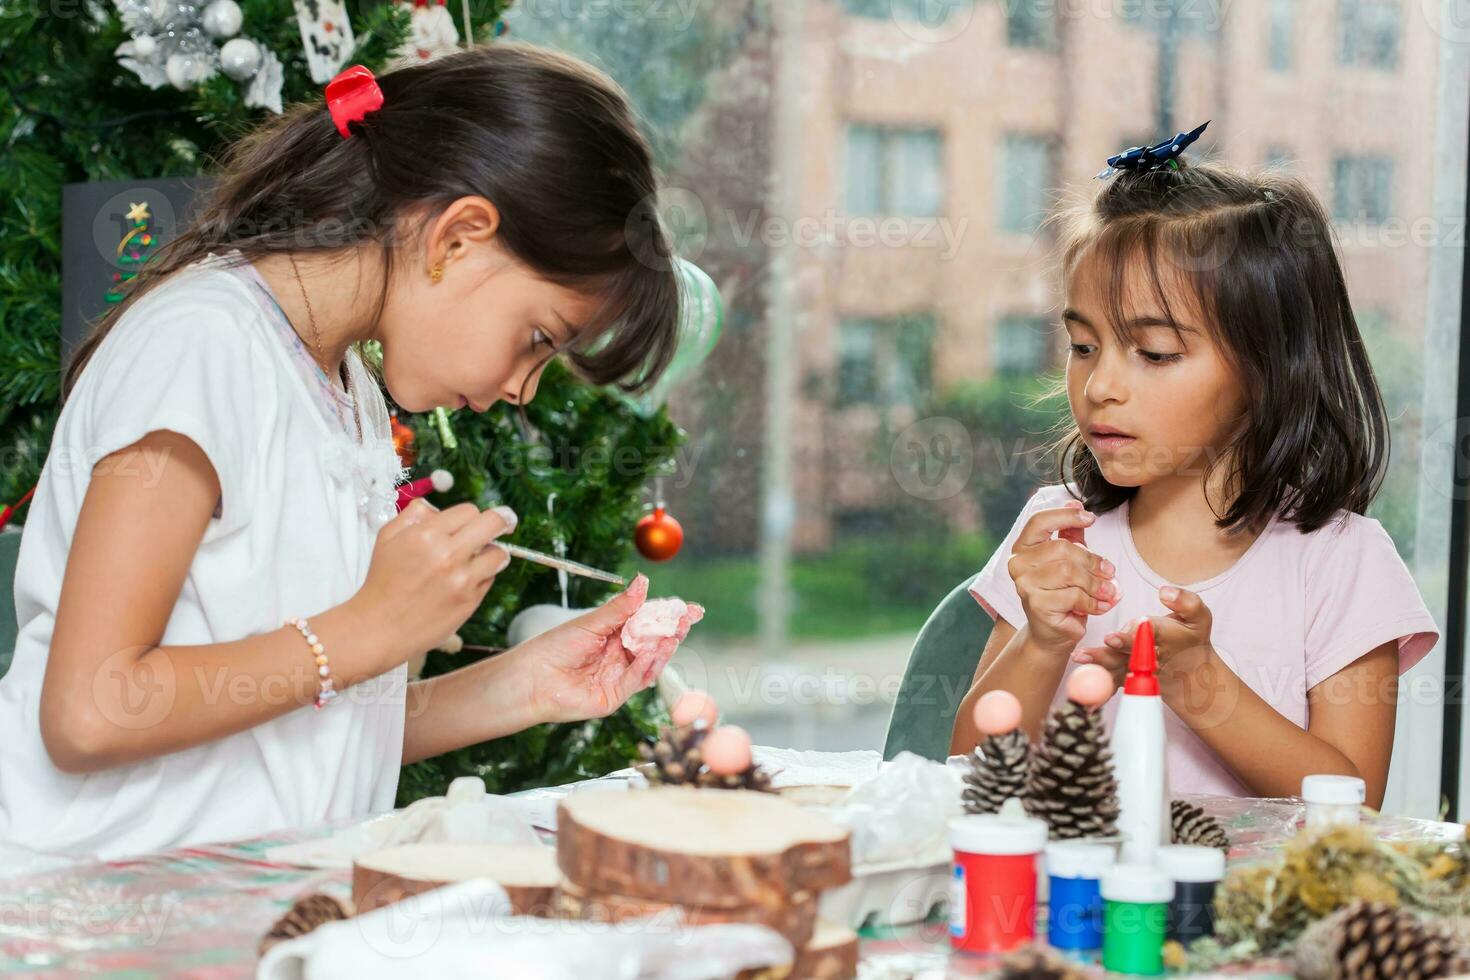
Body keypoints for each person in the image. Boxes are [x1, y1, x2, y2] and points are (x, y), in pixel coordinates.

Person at [0, 45, 701, 872]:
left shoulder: (346, 390)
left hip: (237, 913)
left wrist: (523, 687)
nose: (522, 390)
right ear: (458, 238)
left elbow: (299, 723)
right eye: (538, 340)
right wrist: (369, 627)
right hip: (86, 915)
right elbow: (91, 713)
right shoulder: (201, 344)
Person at [951, 127, 1438, 809]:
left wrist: (1200, 685)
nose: (1099, 386)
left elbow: (1352, 805)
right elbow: (967, 778)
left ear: (1267, 369)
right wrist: (1040, 641)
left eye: (1153, 353)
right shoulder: (1057, 531)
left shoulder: (1339, 561)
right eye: (1083, 345)